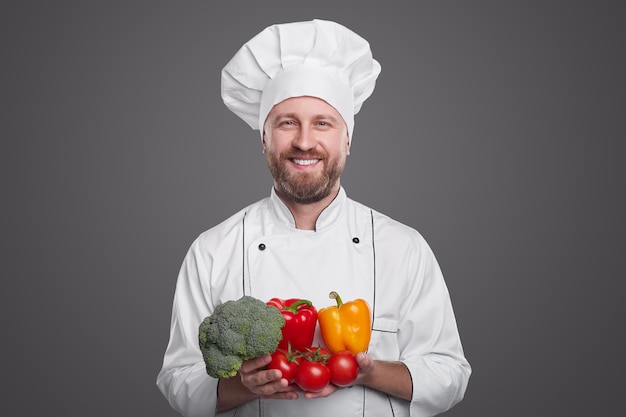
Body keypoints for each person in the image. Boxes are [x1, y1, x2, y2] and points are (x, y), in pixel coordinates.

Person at [157, 19, 471, 417]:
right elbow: (178, 382)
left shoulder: (404, 248)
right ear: (264, 138)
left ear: (348, 139)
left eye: (323, 123)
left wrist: (371, 374)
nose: (304, 141)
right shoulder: (212, 250)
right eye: (287, 122)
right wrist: (242, 385)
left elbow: (450, 375)